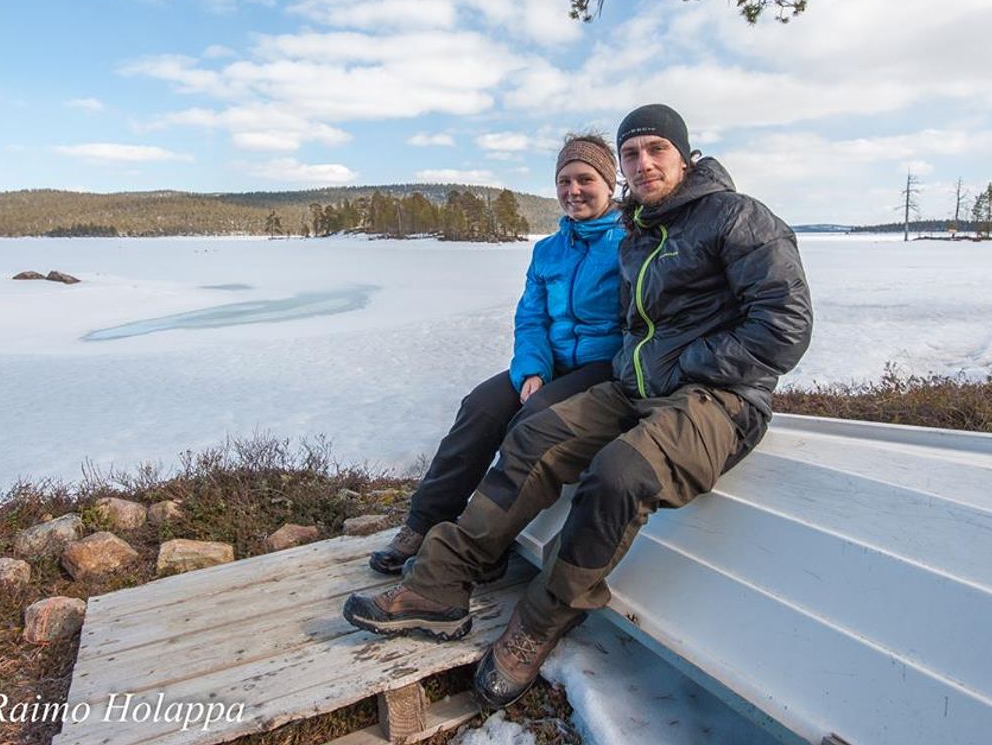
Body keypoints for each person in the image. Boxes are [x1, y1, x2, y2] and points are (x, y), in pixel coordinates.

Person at [344, 104, 813, 710]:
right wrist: (560, 367)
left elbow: (784, 327)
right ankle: (439, 582)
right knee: (531, 438)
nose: (643, 163)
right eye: (632, 153)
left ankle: (539, 622)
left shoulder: (738, 217)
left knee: (621, 472)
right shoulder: (642, 230)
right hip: (635, 384)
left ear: (685, 156)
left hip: (721, 396)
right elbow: (594, 321)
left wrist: (675, 366)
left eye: (655, 150)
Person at [367, 134, 625, 578]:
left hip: (604, 366)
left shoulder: (630, 244)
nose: (573, 190)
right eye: (564, 181)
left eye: (585, 179)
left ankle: (487, 542)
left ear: (610, 184)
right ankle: (424, 521)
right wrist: (532, 369)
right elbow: (531, 319)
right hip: (554, 362)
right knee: (481, 407)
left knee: (534, 418)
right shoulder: (548, 250)